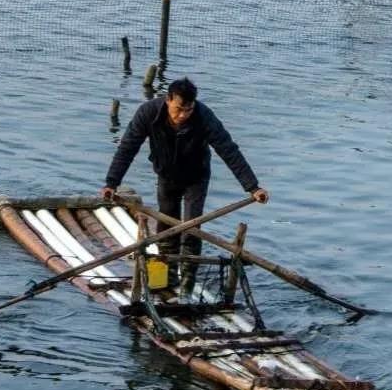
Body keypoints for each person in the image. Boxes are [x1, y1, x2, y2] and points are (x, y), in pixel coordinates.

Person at [101, 78, 268, 290]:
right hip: (166, 175)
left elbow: (228, 150)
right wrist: (111, 183)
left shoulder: (204, 116)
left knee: (191, 228)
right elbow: (127, 148)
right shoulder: (148, 113)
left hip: (196, 177)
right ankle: (166, 282)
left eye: (188, 110)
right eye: (179, 109)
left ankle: (188, 284)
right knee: (167, 226)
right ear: (168, 99)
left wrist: (253, 187)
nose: (183, 116)